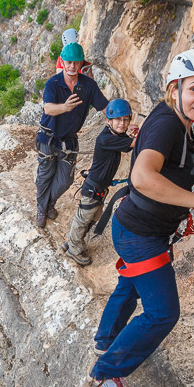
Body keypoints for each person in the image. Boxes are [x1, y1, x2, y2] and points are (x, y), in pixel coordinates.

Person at [86, 48, 194, 387]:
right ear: (175, 89)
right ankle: (106, 371)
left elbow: (152, 155)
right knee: (163, 313)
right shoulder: (170, 123)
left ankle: (106, 339)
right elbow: (142, 176)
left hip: (134, 226)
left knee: (130, 285)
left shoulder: (173, 120)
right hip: (142, 234)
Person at [37, 42, 109, 227]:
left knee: (64, 180)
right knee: (45, 176)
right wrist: (65, 107)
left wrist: (120, 119)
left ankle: (48, 204)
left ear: (80, 63)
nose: (72, 66)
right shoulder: (53, 83)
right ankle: (42, 209)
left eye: (76, 63)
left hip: (69, 140)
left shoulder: (88, 85)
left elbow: (104, 106)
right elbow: (48, 108)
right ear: (62, 61)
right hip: (49, 137)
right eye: (68, 62)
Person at [62, 98, 137, 266]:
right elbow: (134, 143)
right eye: (118, 120)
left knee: (91, 217)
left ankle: (72, 240)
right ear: (108, 121)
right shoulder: (106, 139)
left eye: (125, 119)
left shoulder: (115, 135)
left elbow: (127, 143)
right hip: (93, 188)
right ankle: (74, 249)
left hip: (99, 187)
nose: (122, 123)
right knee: (84, 218)